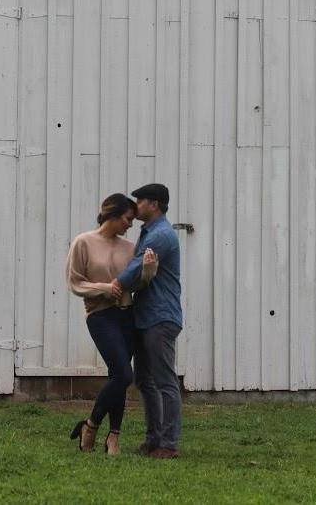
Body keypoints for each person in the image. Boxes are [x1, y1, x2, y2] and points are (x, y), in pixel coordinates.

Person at [65, 193, 158, 455]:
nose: (131, 224)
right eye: (127, 219)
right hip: (100, 316)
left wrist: (148, 271)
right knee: (124, 375)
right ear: (113, 215)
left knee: (117, 376)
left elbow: (137, 284)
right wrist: (104, 288)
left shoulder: (130, 247)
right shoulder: (83, 242)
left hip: (128, 316)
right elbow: (75, 283)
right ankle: (91, 425)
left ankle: (113, 437)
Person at [111, 183, 183, 460]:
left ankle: (168, 444)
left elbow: (136, 268)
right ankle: (154, 439)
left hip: (160, 317)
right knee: (144, 380)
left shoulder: (161, 235)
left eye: (140, 200)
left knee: (164, 381)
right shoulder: (150, 232)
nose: (136, 205)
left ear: (154, 204)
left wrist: (115, 284)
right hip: (147, 317)